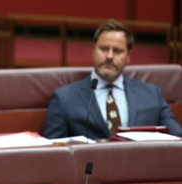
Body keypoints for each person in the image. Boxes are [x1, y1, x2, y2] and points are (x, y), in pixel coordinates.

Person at [43, 19, 182, 139]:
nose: (109, 56)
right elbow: (51, 152)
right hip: (89, 169)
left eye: (117, 51)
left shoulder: (152, 95)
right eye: (104, 49)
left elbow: (177, 139)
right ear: (93, 50)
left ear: (128, 56)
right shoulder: (64, 98)